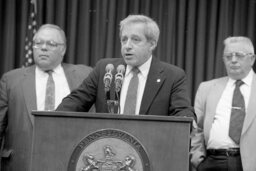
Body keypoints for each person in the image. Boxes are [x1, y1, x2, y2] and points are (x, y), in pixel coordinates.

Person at [56, 15, 195, 119]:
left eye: (135, 39)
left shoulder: (172, 76)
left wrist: (187, 119)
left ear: (152, 44)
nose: (127, 46)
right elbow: (75, 101)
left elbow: (182, 113)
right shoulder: (105, 69)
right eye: (124, 39)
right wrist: (50, 118)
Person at [0, 24, 92, 171]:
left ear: (63, 49)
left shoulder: (84, 75)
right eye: (38, 43)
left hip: (70, 160)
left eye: (51, 44)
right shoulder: (11, 79)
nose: (43, 48)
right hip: (22, 163)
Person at [190, 36, 256, 171]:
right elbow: (197, 128)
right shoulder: (207, 88)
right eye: (228, 56)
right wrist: (198, 160)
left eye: (239, 55)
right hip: (212, 162)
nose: (233, 60)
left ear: (252, 59)